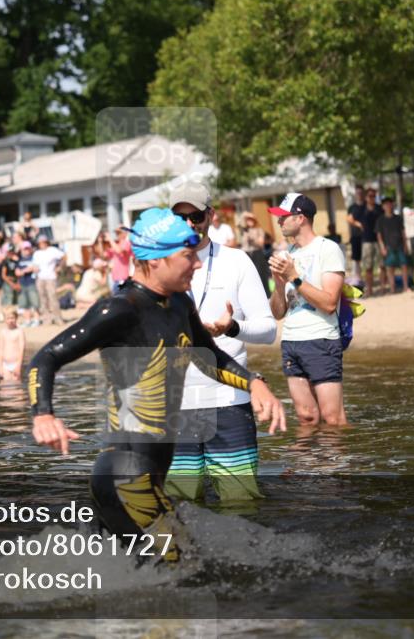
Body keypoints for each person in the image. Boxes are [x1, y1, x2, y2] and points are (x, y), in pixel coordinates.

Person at [28, 208, 285, 562]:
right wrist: (44, 414)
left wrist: (255, 383)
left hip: (149, 475)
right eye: (187, 255)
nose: (196, 264)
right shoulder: (119, 310)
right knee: (182, 572)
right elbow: (45, 358)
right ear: (155, 260)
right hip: (125, 478)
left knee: (153, 579)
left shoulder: (179, 303)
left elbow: (207, 356)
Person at [166, 184, 277, 502]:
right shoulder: (158, 266)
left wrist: (232, 328)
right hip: (176, 408)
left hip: (228, 403)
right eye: (180, 216)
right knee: (180, 512)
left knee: (239, 506)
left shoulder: (236, 261)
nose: (189, 223)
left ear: (211, 216)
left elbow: (268, 330)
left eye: (196, 215)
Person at [268, 194, 348, 427]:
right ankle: (309, 464)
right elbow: (278, 313)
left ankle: (340, 464)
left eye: (284, 217)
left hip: (321, 339)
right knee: (306, 417)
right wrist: (280, 284)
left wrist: (294, 276)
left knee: (333, 417)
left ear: (301, 218)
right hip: (291, 340)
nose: (279, 222)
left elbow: (329, 303)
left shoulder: (328, 249)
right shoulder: (287, 255)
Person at [375, 198, 411, 293]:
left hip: (399, 245)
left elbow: (403, 232)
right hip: (388, 247)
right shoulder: (380, 220)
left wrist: (406, 245)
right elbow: (379, 235)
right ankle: (392, 288)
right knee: (390, 268)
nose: (388, 206)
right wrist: (382, 247)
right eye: (386, 204)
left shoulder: (398, 218)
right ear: (383, 207)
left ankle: (406, 287)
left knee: (404, 266)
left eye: (390, 204)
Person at [32, 235, 66, 326]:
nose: (42, 244)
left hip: (51, 277)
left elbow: (64, 257)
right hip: (40, 278)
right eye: (40, 242)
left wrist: (59, 267)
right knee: (43, 300)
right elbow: (35, 264)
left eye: (44, 242)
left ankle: (58, 318)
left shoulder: (53, 250)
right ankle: (47, 319)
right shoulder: (37, 253)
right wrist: (34, 269)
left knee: (53, 298)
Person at [358, 188, 384, 295]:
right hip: (366, 240)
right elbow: (350, 217)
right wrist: (358, 225)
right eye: (370, 196)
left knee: (382, 266)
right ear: (366, 197)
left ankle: (383, 288)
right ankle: (369, 289)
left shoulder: (379, 208)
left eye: (374, 195)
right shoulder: (361, 208)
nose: (372, 197)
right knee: (368, 268)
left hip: (379, 240)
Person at [240, 212, 271, 296]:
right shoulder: (244, 230)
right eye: (248, 220)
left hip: (257, 253)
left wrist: (252, 239)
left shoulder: (259, 230)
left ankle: (266, 294)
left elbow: (261, 244)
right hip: (246, 254)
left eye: (251, 219)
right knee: (248, 275)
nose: (249, 221)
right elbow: (242, 216)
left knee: (261, 274)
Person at [15, 241, 41, 327]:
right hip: (22, 284)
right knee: (24, 304)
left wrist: (24, 271)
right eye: (24, 249)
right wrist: (26, 270)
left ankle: (36, 319)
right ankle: (27, 320)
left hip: (32, 283)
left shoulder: (34, 258)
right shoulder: (19, 260)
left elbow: (35, 268)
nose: (26, 251)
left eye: (27, 249)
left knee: (35, 302)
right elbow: (17, 272)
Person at [0, 305, 25, 381]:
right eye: (8, 318)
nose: (10, 320)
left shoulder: (19, 331)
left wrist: (19, 365)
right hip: (5, 364)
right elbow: (0, 350)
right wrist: (0, 366)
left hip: (16, 363)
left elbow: (22, 349)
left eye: (12, 318)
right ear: (4, 319)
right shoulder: (3, 332)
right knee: (4, 389)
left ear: (16, 318)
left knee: (17, 385)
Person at [105, 226, 133, 294]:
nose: (117, 235)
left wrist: (110, 239)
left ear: (125, 233)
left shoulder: (126, 243)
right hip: (115, 279)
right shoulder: (116, 244)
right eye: (116, 233)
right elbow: (104, 256)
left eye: (119, 232)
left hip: (122, 279)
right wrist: (100, 242)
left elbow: (119, 251)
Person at [346, 191, 366, 279]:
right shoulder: (352, 207)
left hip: (367, 237)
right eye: (358, 193)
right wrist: (359, 224)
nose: (360, 195)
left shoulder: (366, 206)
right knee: (356, 258)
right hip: (355, 236)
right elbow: (348, 219)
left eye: (361, 193)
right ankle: (357, 279)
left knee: (366, 259)